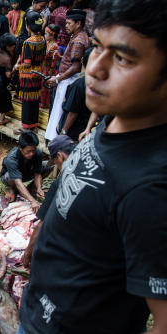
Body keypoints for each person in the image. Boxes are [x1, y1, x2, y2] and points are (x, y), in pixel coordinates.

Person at [19, 1, 167, 333]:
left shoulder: (151, 189)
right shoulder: (114, 121)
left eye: (123, 58)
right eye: (98, 47)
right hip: (34, 314)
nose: (95, 69)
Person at [20, 134, 75, 269]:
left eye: (55, 162)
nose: (57, 165)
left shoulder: (64, 181)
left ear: (61, 156)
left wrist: (27, 255)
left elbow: (41, 225)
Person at [45, 9, 90, 140]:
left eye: (69, 23)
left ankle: (57, 139)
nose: (66, 26)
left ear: (78, 24)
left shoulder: (78, 41)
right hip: (67, 80)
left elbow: (75, 67)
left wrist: (58, 78)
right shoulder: (78, 37)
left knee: (61, 112)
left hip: (69, 81)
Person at [0, 131, 53, 213]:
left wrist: (39, 187)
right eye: (28, 151)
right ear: (20, 147)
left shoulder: (37, 153)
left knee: (50, 165)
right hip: (10, 178)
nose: (31, 153)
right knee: (11, 176)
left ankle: (33, 187)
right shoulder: (12, 158)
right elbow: (18, 183)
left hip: (25, 172)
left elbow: (37, 172)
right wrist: (32, 201)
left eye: (33, 150)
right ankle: (12, 189)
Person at [13, 11, 46, 133]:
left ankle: (26, 127)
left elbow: (27, 62)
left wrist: (17, 66)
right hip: (38, 73)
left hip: (28, 75)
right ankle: (34, 125)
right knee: (35, 99)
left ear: (28, 26)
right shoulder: (43, 39)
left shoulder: (28, 42)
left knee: (27, 101)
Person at [58, 47, 93, 141]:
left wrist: (63, 132)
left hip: (74, 130)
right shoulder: (95, 82)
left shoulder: (79, 84)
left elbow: (72, 113)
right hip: (85, 126)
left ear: (82, 60)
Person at [39, 23, 60, 108]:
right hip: (43, 68)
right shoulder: (47, 43)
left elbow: (54, 62)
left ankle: (45, 103)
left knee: (47, 86)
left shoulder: (55, 46)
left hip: (48, 70)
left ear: (51, 36)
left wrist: (51, 72)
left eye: (46, 34)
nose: (45, 35)